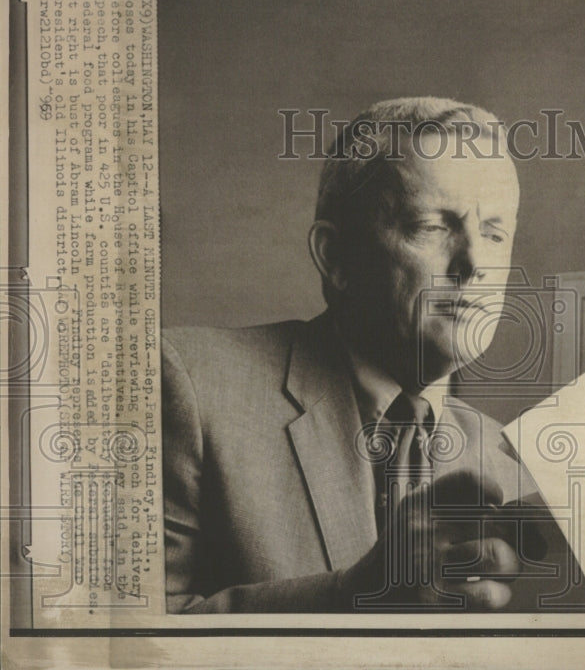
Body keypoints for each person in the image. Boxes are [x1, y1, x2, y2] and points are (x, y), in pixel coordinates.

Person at [163, 97, 537, 612]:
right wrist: (355, 597)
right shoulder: (188, 382)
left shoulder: (510, 464)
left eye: (495, 233)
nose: (475, 264)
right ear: (337, 258)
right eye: (432, 226)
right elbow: (118, 640)